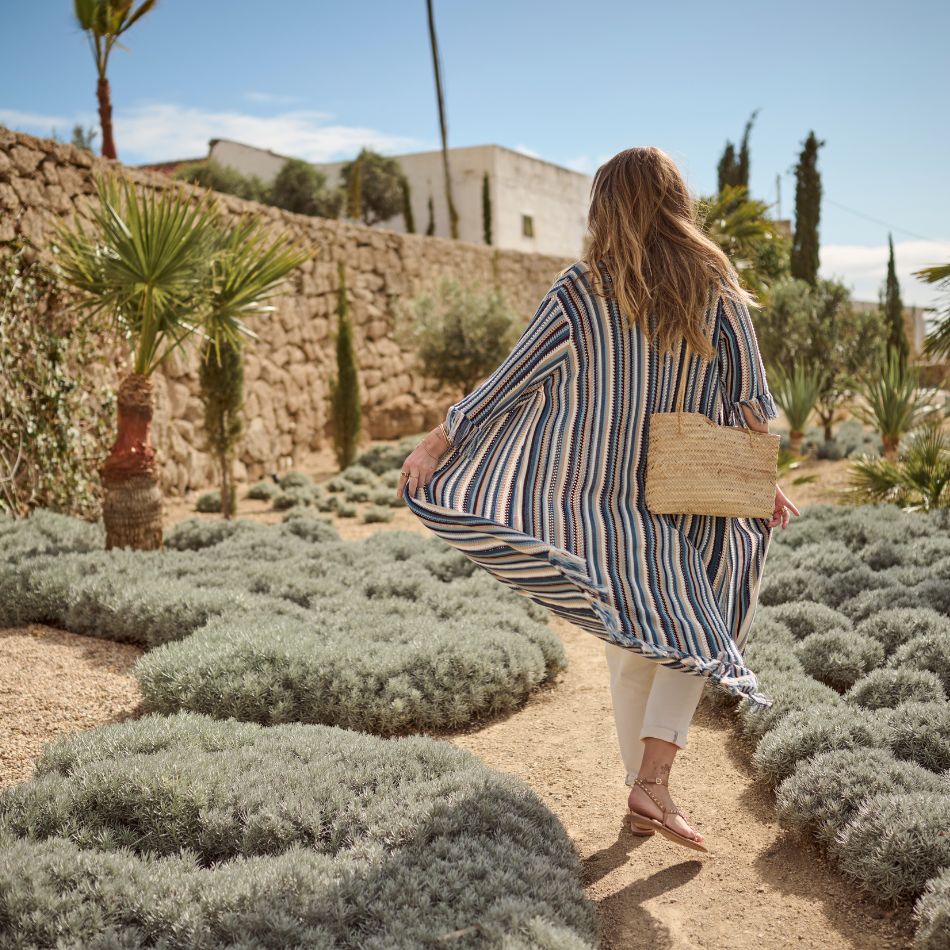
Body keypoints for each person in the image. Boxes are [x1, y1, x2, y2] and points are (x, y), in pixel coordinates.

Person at [397, 146, 800, 853]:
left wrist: (438, 442)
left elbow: (509, 384)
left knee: (641, 648)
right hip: (695, 493)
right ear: (678, 200)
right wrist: (756, 480)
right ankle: (652, 784)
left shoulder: (578, 292)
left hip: (603, 503)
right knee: (693, 633)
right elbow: (751, 405)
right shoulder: (716, 284)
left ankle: (646, 785)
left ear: (602, 207)